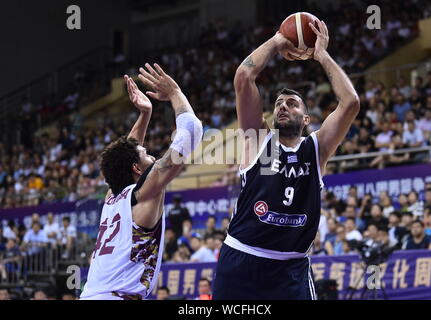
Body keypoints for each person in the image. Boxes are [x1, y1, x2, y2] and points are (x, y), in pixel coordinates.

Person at [213, 21, 360, 300]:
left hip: (290, 269)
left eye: (292, 103)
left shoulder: (315, 148)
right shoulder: (260, 143)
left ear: (306, 120)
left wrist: (321, 55)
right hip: (242, 258)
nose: (283, 106)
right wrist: (277, 41)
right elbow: (244, 77)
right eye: (279, 103)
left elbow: (350, 102)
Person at [80, 65, 203, 300]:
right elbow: (192, 132)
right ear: (137, 169)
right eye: (147, 154)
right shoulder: (145, 193)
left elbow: (124, 157)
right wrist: (175, 92)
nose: (153, 156)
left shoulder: (112, 198)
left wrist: (145, 114)